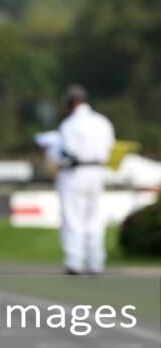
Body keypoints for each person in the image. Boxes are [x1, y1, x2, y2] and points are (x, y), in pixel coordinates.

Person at [56, 85, 115, 275]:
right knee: (94, 217)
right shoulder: (102, 122)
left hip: (76, 173)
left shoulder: (69, 124)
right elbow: (110, 147)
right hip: (98, 172)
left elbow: (67, 152)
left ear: (70, 103)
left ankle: (75, 261)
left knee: (73, 218)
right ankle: (95, 261)